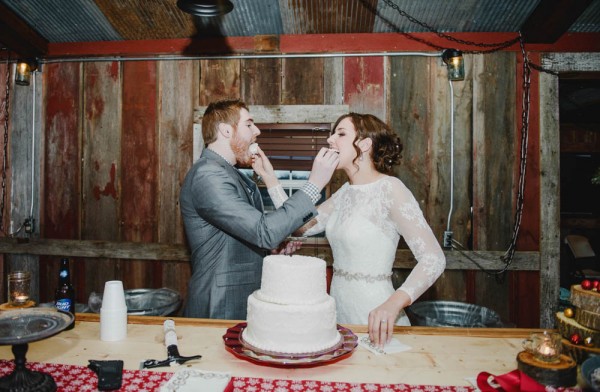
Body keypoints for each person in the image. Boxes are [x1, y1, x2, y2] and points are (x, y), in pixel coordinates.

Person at [259, 113, 446, 348]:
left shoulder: (391, 189)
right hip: (338, 315)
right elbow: (296, 227)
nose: (330, 140)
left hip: (377, 315)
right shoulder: (343, 194)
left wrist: (394, 303)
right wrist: (270, 178)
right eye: (332, 133)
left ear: (365, 144)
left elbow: (434, 259)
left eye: (341, 134)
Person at [179, 99, 339, 320]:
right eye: (249, 124)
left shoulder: (228, 173)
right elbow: (264, 231)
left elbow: (244, 235)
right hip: (219, 304)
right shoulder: (208, 175)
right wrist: (313, 186)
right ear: (226, 130)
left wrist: (268, 252)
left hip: (236, 299)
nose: (257, 131)